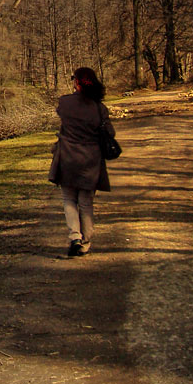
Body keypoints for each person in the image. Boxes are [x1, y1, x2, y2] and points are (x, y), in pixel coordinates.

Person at [48, 67, 114, 257]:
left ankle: (74, 237)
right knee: (85, 202)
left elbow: (62, 115)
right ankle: (85, 243)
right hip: (90, 160)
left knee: (68, 198)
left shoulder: (65, 102)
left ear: (76, 82)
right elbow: (110, 133)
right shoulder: (100, 108)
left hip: (68, 157)